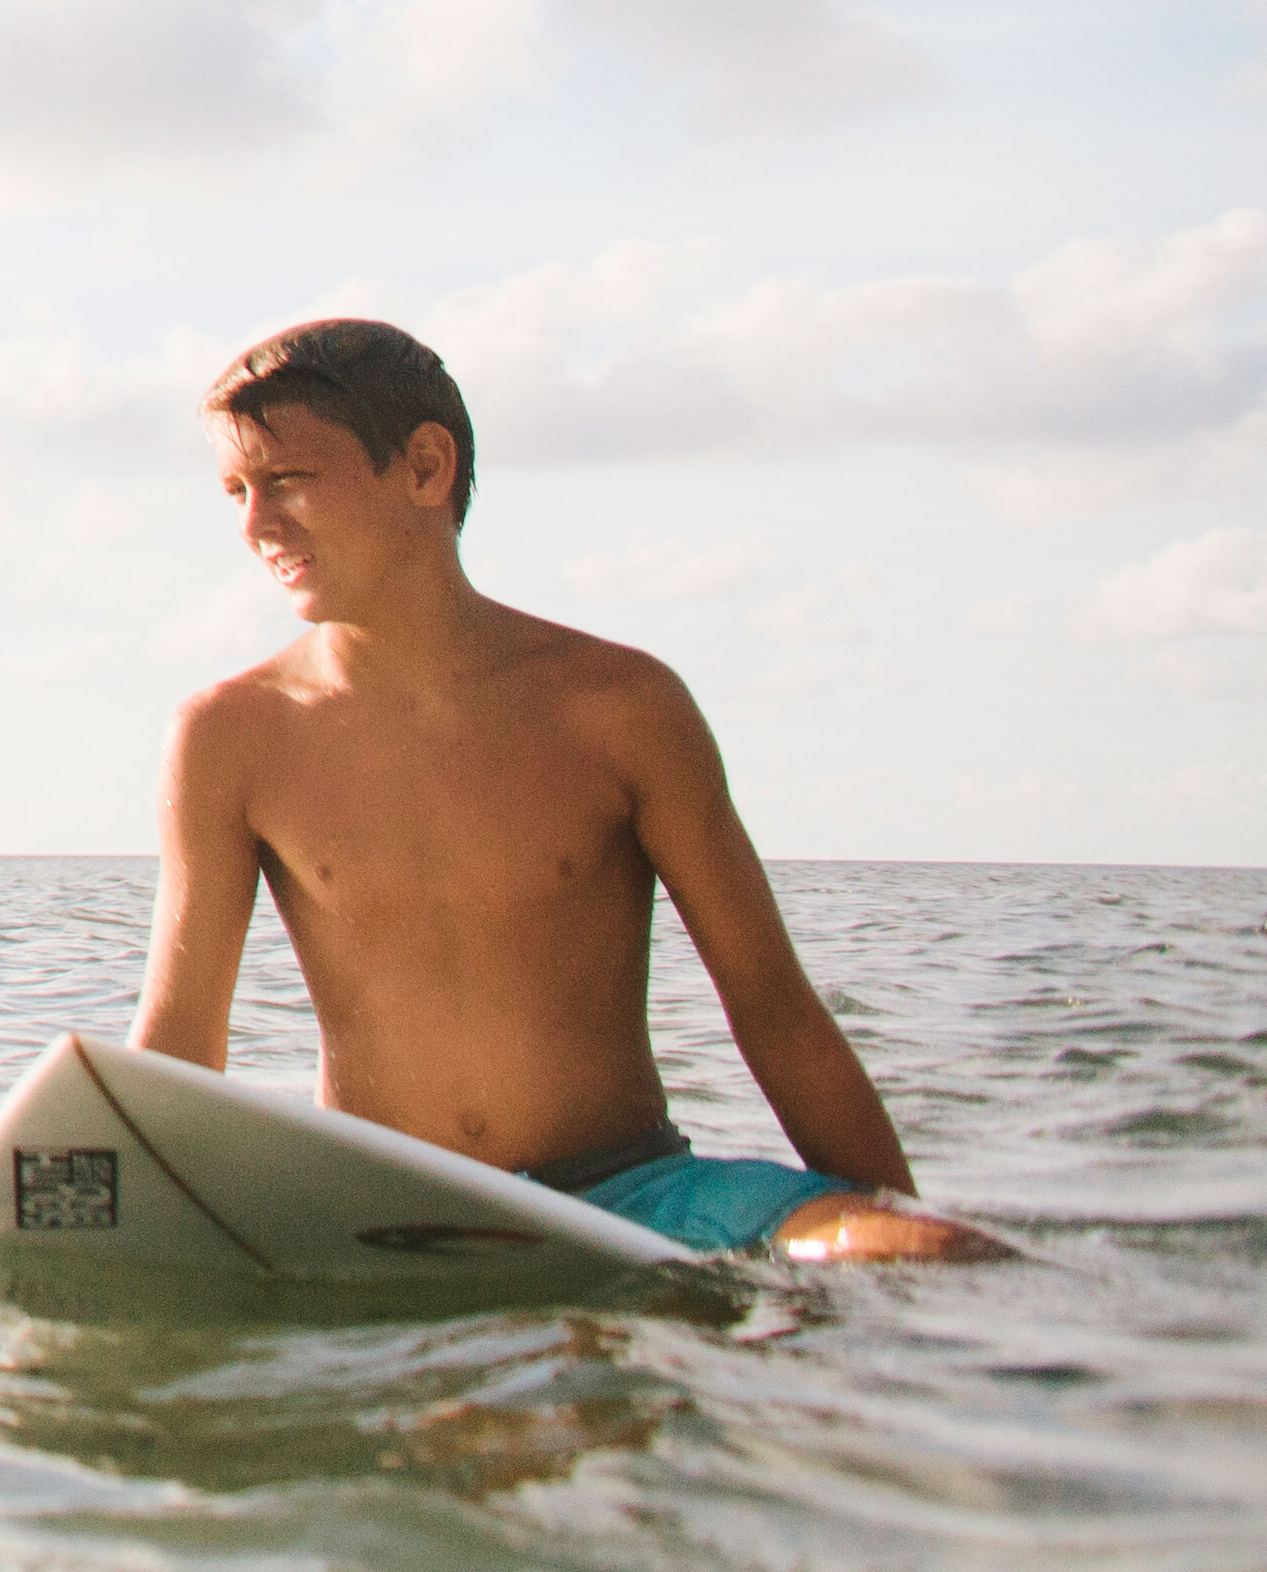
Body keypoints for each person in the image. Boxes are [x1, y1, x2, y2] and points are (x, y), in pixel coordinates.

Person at [127, 319, 998, 1262]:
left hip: (636, 1196)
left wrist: (901, 1247)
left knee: (930, 1252)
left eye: (286, 480)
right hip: (383, 1210)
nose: (255, 525)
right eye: (236, 492)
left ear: (425, 466)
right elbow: (180, 1044)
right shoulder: (229, 738)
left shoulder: (620, 708)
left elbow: (775, 1010)